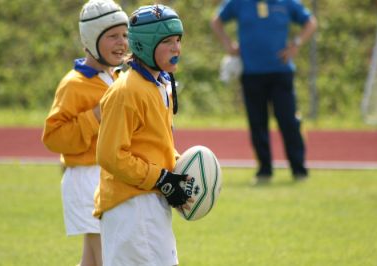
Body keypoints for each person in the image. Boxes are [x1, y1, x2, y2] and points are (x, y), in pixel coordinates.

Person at [93, 4, 193, 266]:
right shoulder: (126, 92)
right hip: (131, 209)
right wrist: (161, 178)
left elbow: (154, 143)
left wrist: (178, 171)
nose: (177, 49)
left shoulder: (159, 85)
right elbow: (110, 155)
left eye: (178, 40)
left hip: (149, 201)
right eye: (168, 41)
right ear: (145, 46)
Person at [41, 0, 128, 265]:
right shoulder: (73, 84)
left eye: (125, 35)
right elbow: (54, 137)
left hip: (107, 175)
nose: (121, 42)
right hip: (85, 179)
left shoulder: (117, 77)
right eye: (112, 36)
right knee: (106, 256)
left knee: (92, 259)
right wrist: (94, 116)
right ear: (91, 39)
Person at [211, 0, 317, 184]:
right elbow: (216, 21)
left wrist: (296, 44)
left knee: (288, 121)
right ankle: (264, 170)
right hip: (251, 73)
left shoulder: (287, 3)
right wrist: (228, 44)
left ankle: (298, 169)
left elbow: (310, 22)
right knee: (257, 123)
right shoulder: (239, 3)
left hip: (280, 72)